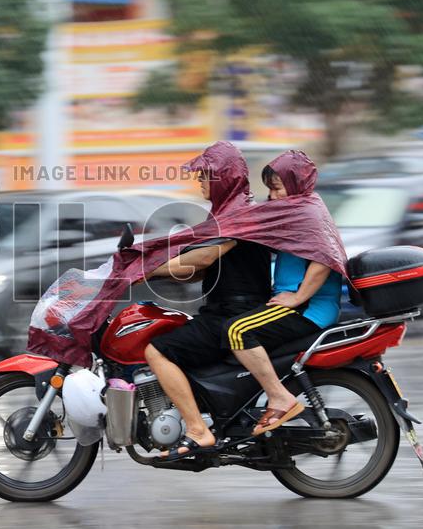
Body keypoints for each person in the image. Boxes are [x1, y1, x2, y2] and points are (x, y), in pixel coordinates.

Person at [142, 142, 272, 458]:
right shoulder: (229, 210)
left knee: (156, 350)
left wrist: (146, 270)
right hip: (224, 309)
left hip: (234, 313)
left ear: (223, 178)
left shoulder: (238, 214)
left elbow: (203, 259)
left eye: (205, 175)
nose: (199, 181)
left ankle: (198, 430)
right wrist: (159, 269)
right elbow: (203, 269)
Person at [220, 153, 344, 436]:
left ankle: (279, 397)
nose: (273, 196)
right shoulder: (298, 209)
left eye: (278, 187)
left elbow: (324, 259)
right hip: (295, 301)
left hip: (310, 307)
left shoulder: (306, 213)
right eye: (270, 189)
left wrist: (298, 297)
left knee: (237, 331)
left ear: (296, 184)